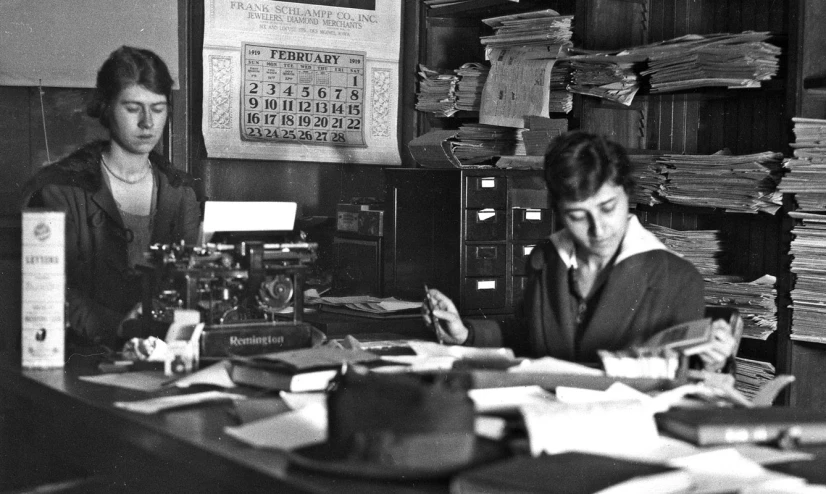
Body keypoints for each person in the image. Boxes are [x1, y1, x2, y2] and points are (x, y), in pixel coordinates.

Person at [424, 131, 735, 370]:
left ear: (627, 195)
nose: (598, 229)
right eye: (577, 215)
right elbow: (525, 336)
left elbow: (688, 378)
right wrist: (464, 333)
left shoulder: (677, 279)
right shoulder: (547, 258)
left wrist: (713, 361)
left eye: (607, 208)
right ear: (558, 211)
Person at [21, 46, 201, 350]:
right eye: (133, 108)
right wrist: (119, 327)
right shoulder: (60, 190)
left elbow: (190, 282)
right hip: (79, 356)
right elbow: (49, 290)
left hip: (161, 354)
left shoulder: (179, 193)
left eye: (158, 109)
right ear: (106, 108)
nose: (148, 123)